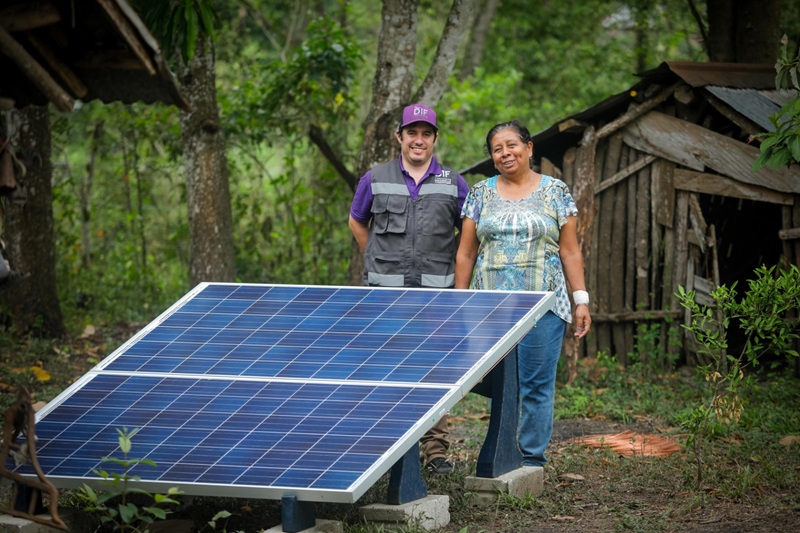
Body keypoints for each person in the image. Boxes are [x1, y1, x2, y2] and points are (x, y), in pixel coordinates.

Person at [455, 120, 592, 467]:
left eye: (512, 145)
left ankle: (531, 458)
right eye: (497, 149)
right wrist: (460, 302)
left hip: (544, 305)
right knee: (497, 383)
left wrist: (581, 299)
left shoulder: (555, 191)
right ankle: (501, 455)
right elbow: (466, 253)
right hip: (489, 307)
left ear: (529, 148)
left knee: (536, 384)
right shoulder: (479, 193)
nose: (505, 153)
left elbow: (570, 251)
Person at [349, 103, 470, 475]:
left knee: (435, 373)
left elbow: (469, 234)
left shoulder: (453, 183)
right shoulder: (375, 177)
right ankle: (386, 450)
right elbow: (357, 222)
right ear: (399, 136)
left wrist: (459, 288)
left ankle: (435, 451)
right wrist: (377, 258)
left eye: (426, 134)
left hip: (437, 297)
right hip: (386, 297)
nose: (419, 140)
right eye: (412, 133)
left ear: (434, 139)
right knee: (386, 371)